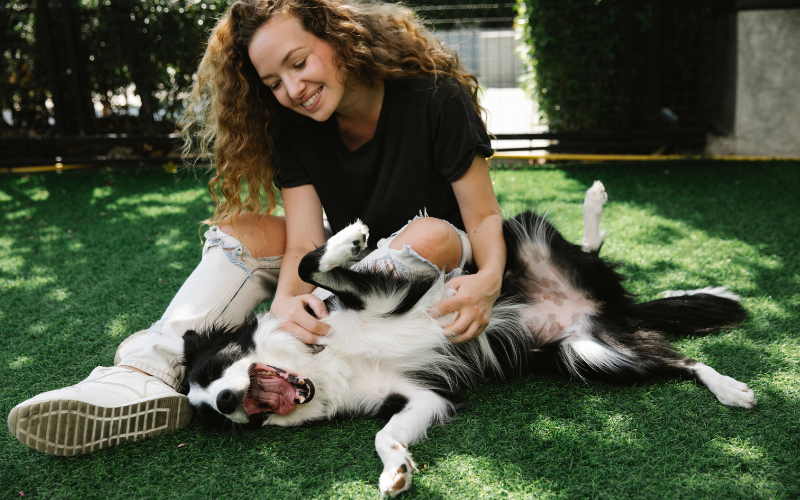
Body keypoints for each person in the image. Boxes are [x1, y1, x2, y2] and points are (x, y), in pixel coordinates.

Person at [7, 0, 505, 456]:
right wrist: (289, 302)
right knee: (240, 229)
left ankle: (333, 333)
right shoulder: (294, 126)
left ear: (339, 36)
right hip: (351, 251)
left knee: (430, 234)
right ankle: (141, 373)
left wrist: (489, 280)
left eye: (299, 62)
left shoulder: (436, 97)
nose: (292, 90)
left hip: (440, 254)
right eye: (273, 83)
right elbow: (306, 240)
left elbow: (481, 217)